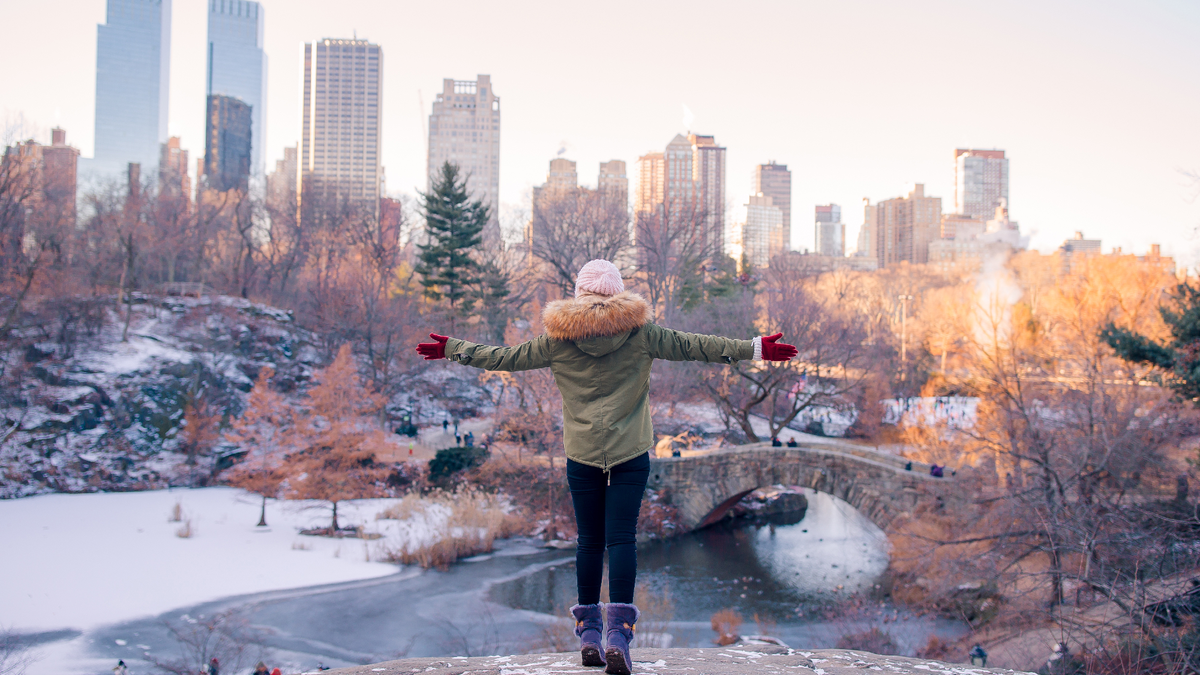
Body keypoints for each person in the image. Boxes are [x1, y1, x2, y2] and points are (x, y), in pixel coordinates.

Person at [416, 259, 797, 675]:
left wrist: (453, 348)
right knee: (621, 540)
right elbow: (697, 346)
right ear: (617, 294)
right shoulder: (642, 335)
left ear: (580, 294)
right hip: (630, 452)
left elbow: (503, 357)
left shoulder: (556, 340)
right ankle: (620, 635)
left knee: (588, 542)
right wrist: (755, 349)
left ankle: (589, 634)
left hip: (582, 453)